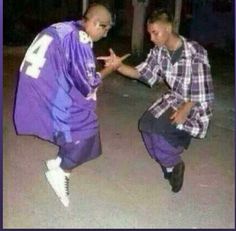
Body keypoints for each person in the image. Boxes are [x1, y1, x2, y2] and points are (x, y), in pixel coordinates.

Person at [13, 3, 128, 207]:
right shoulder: (79, 39)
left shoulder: (62, 27)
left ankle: (58, 161)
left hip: (37, 89)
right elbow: (88, 84)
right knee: (85, 134)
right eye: (105, 27)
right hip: (49, 95)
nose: (106, 33)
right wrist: (112, 68)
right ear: (93, 22)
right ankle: (62, 172)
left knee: (85, 129)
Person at [98, 9, 214, 193]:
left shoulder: (195, 51)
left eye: (155, 32)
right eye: (150, 33)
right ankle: (168, 164)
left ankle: (174, 163)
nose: (151, 38)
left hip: (195, 104)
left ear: (168, 28)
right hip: (176, 97)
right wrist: (118, 66)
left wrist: (185, 109)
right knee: (145, 124)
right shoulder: (159, 52)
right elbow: (141, 73)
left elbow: (203, 89)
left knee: (160, 132)